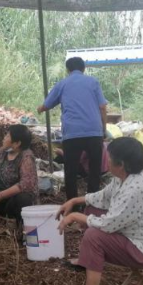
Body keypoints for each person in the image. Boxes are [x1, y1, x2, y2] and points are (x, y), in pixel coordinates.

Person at [56, 137, 143, 285]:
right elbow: (103, 196)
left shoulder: (135, 189)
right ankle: (87, 260)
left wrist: (77, 216)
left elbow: (108, 225)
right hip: (132, 235)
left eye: (109, 157)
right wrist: (76, 200)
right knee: (92, 207)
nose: (106, 160)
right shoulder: (124, 177)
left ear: (121, 164)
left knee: (94, 236)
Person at [37, 56, 107, 200]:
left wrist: (39, 108)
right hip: (94, 132)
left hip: (72, 134)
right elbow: (102, 107)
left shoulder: (62, 84)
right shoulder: (93, 82)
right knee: (95, 169)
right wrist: (103, 128)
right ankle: (92, 200)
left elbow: (46, 106)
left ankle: (73, 203)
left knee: (71, 170)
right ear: (84, 68)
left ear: (68, 70)